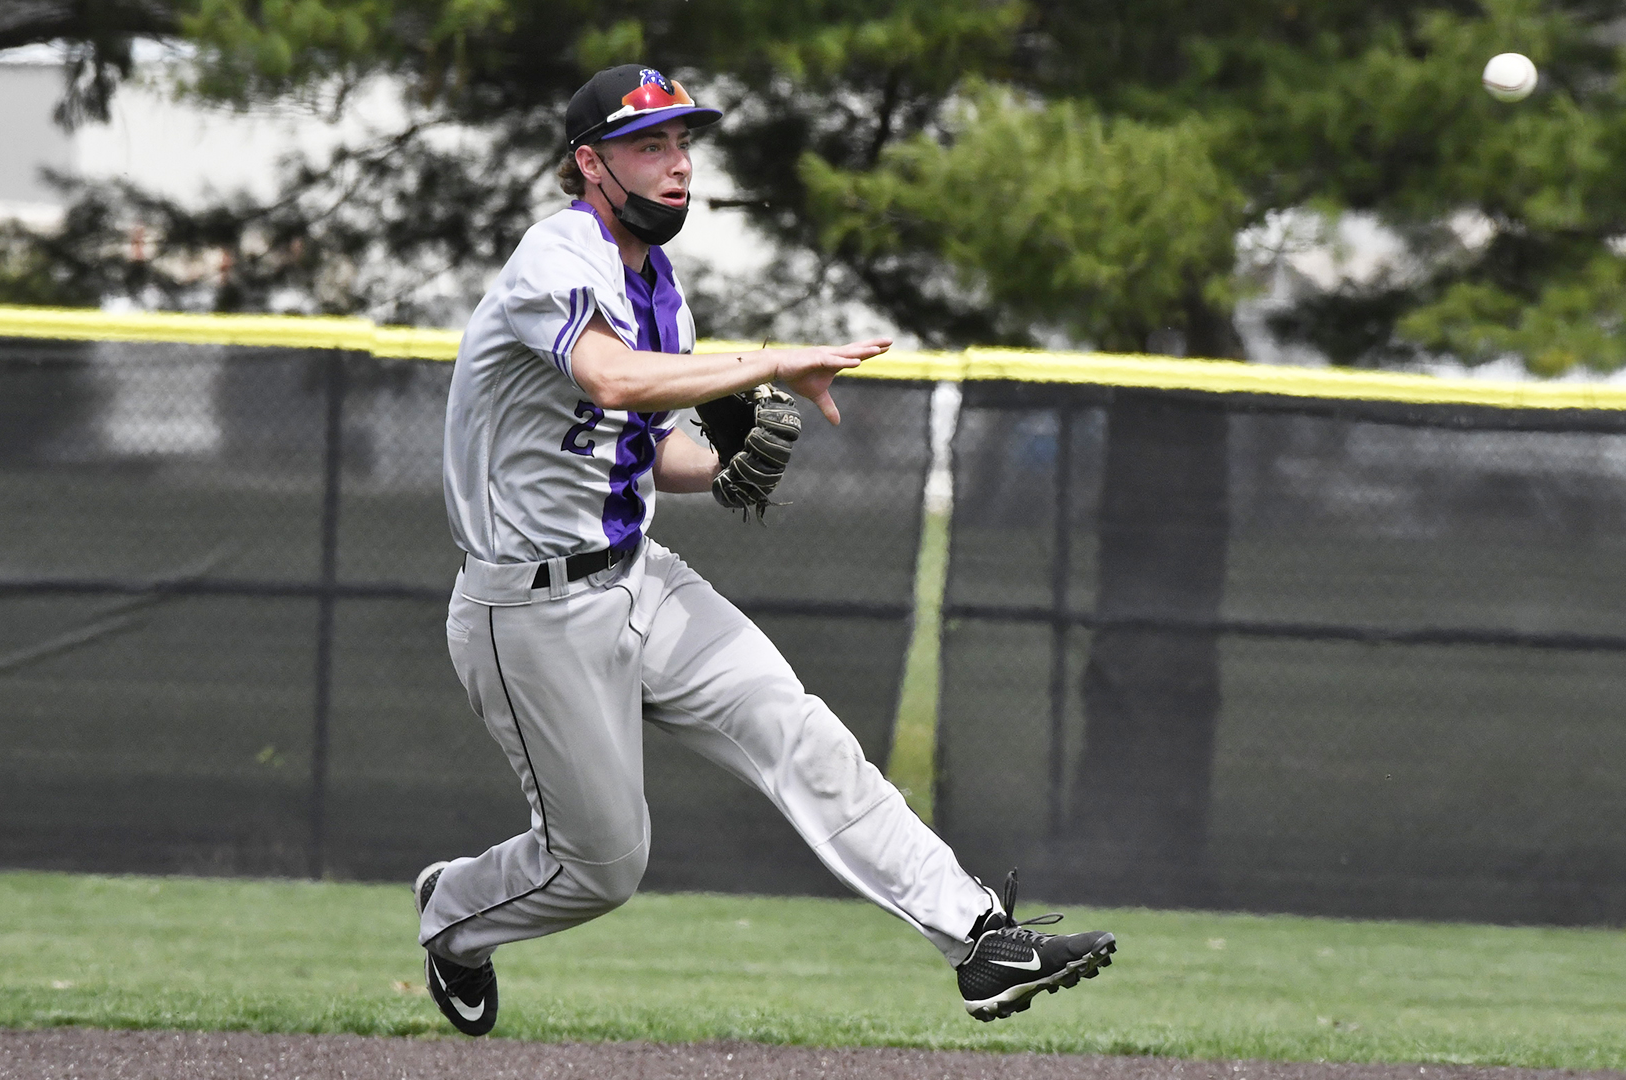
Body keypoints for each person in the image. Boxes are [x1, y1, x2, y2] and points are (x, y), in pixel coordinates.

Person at [416, 63, 1115, 1037]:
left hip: (638, 579)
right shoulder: (556, 257)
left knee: (802, 731)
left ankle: (980, 941)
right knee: (603, 868)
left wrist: (728, 463)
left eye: (683, 142)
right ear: (589, 163)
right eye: (647, 145)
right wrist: (767, 363)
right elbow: (610, 380)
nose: (677, 165)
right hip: (526, 611)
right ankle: (454, 916)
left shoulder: (661, 290)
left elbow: (644, 449)